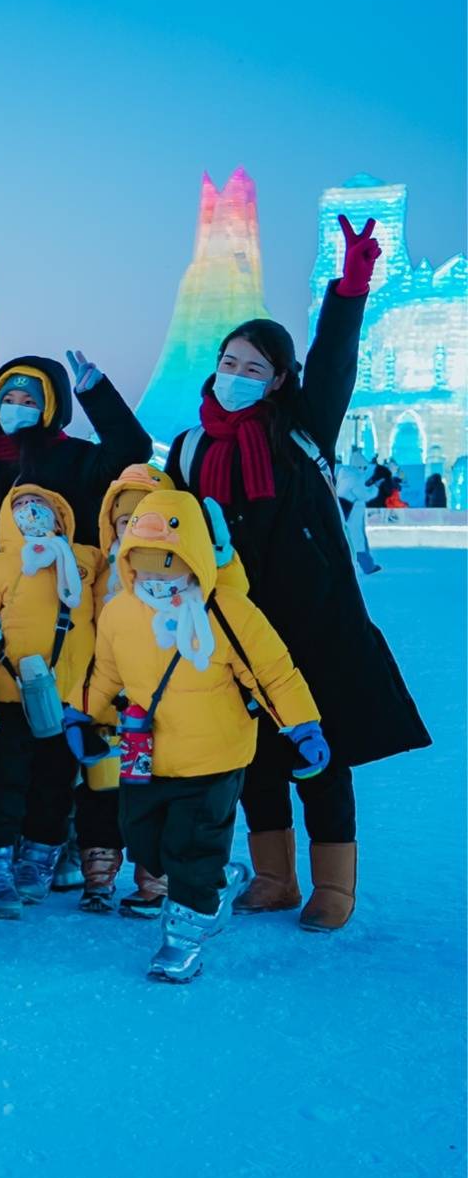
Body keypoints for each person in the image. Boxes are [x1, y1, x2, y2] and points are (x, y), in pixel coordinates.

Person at [162, 216, 428, 931]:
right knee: (254, 757)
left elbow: (335, 358)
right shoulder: (188, 449)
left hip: (316, 623)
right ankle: (275, 875)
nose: (238, 376)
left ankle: (333, 885)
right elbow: (169, 529)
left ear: (279, 378)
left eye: (254, 368)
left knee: (322, 748)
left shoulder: (304, 425)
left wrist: (351, 287)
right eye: (229, 362)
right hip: (234, 623)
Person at [78, 490, 324, 981]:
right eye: (141, 565)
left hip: (214, 753)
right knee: (142, 839)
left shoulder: (226, 609)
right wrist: (79, 714)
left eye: (166, 564)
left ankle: (183, 937)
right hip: (143, 754)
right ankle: (214, 882)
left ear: (192, 557)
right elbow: (104, 672)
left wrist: (303, 725)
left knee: (191, 844)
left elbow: (273, 673)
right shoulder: (120, 612)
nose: (154, 578)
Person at [0, 486, 101, 917]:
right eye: (18, 507)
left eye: (41, 507)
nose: (30, 513)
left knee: (55, 786)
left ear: (62, 519)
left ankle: (37, 863)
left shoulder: (87, 562)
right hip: (6, 697)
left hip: (69, 700)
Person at [77, 464, 176, 914]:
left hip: (159, 703)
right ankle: (98, 869)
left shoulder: (180, 578)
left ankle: (155, 875)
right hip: (103, 696)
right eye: (123, 521)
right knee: (101, 787)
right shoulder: (96, 571)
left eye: (143, 520)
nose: (131, 531)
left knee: (151, 787)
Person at [0, 350, 151, 561]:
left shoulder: (77, 457)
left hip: (69, 585)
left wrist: (97, 394)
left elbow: (133, 450)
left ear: (49, 407)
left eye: (29, 402)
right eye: (8, 400)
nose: (16, 409)